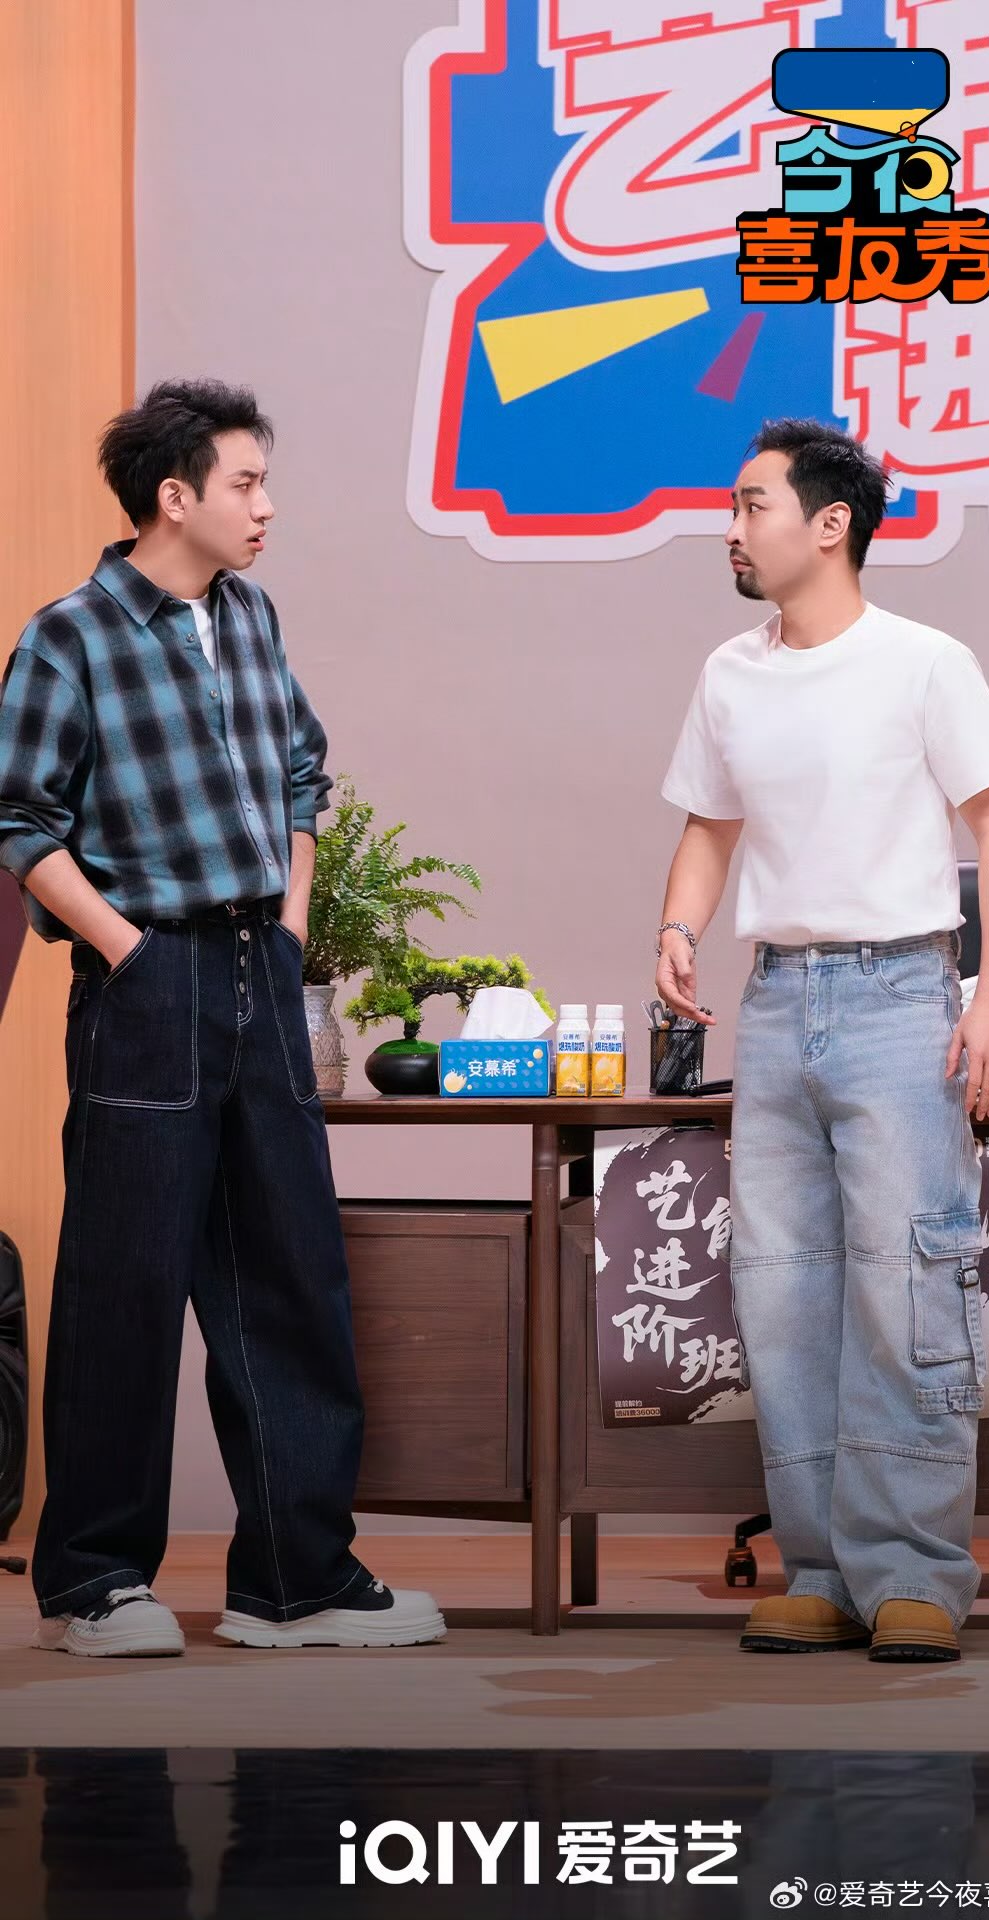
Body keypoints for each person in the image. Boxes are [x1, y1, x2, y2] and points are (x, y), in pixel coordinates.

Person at [0, 379, 445, 1656]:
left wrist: (292, 924)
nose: (266, 508)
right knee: (125, 1284)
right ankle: (96, 1583)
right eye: (246, 484)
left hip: (263, 973)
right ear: (173, 496)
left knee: (291, 1275)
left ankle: (295, 1580)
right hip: (150, 986)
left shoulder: (249, 617)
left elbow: (302, 773)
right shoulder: (70, 636)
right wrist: (129, 951)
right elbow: (20, 818)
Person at [656, 418, 989, 1662]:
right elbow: (710, 825)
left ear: (831, 525)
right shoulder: (728, 672)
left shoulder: (924, 663)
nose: (731, 527)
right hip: (776, 1005)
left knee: (907, 1283)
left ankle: (914, 1569)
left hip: (900, 997)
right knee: (785, 1291)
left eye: (751, 505)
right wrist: (679, 926)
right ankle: (819, 1567)